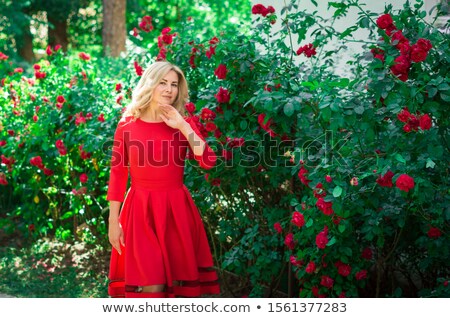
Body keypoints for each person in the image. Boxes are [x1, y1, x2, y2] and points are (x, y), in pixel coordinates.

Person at [106, 61, 220, 298]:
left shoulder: (182, 122)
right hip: (140, 212)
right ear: (150, 84)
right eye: (163, 83)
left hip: (175, 212)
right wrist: (113, 221)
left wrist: (183, 126)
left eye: (174, 84)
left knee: (177, 289)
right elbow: (118, 173)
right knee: (151, 285)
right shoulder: (127, 124)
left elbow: (208, 161)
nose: (169, 89)